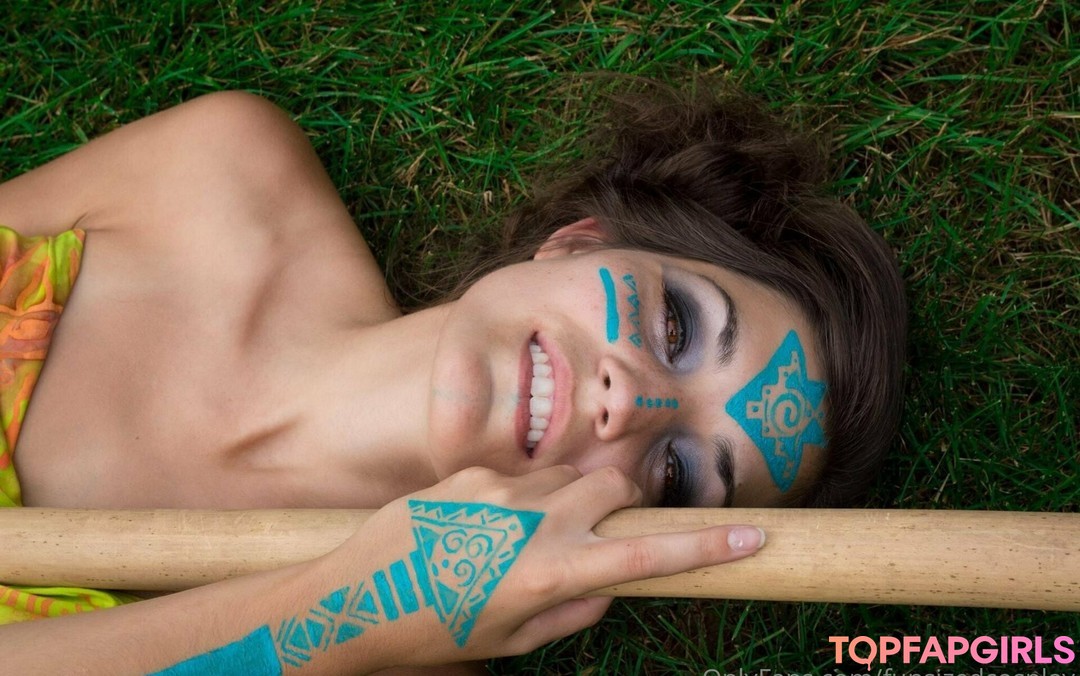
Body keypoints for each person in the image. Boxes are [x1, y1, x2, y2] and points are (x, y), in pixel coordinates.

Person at [0, 82, 906, 672]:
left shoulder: (398, 659)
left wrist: (349, 616)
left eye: (677, 472)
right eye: (676, 324)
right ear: (579, 240)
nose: (632, 400)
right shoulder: (222, 176)